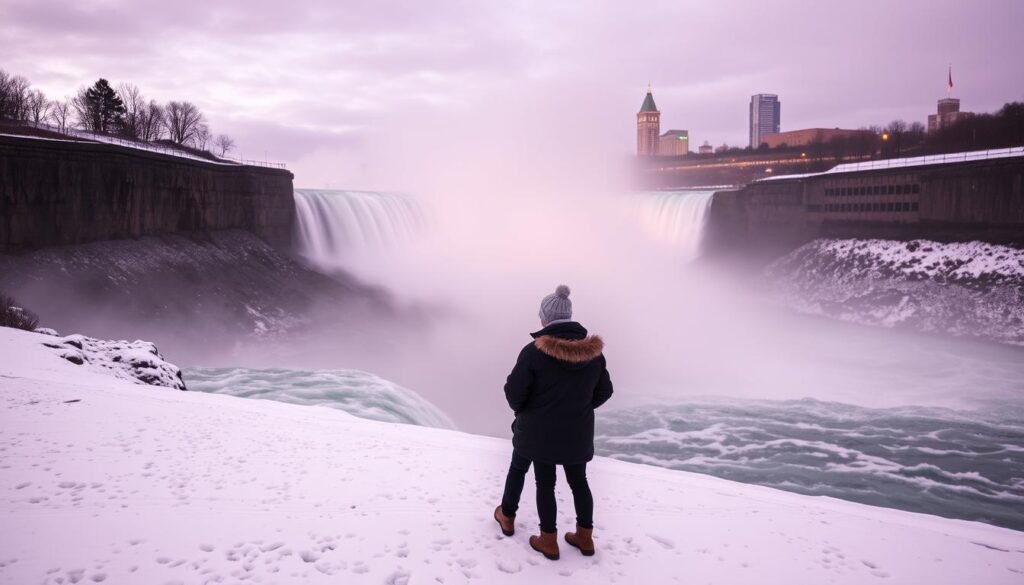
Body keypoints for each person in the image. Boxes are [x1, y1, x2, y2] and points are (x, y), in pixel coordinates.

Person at [493, 284, 614, 560]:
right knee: (579, 481)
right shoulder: (594, 354)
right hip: (577, 433)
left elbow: (514, 393)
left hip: (538, 433)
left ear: (545, 319)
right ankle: (584, 537)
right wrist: (578, 410)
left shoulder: (534, 352)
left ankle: (546, 539)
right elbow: (604, 391)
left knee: (543, 482)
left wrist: (527, 413)